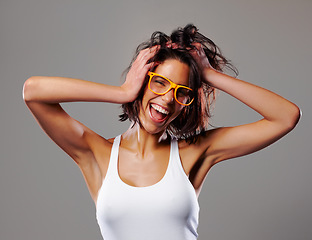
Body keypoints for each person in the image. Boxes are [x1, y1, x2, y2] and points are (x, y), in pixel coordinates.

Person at [23, 24, 300, 240]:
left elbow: (286, 117)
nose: (168, 98)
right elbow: (33, 92)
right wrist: (121, 92)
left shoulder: (195, 152)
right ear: (141, 82)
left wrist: (210, 75)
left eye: (181, 92)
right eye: (159, 83)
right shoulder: (97, 153)